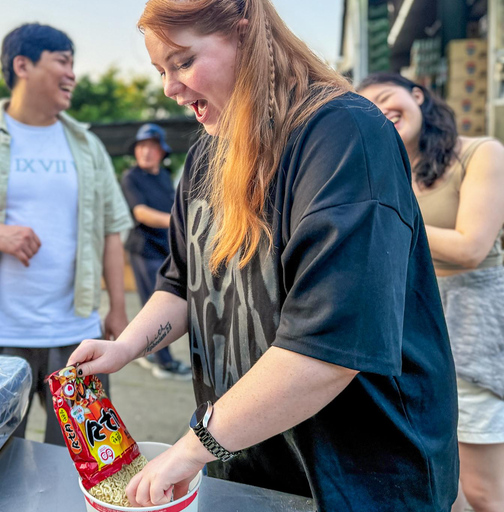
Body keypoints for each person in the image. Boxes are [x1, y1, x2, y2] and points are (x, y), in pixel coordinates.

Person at [68, 0, 459, 510]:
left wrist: (193, 448)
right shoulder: (206, 155)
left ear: (245, 37)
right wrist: (125, 347)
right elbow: (181, 285)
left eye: (183, 62)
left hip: (362, 478)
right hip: (250, 463)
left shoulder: (343, 133)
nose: (169, 87)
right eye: (161, 71)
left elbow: (329, 349)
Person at [0, 23, 133, 445]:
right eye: (62, 62)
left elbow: (111, 231)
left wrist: (118, 309)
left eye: (73, 64)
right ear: (23, 65)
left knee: (85, 466)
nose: (72, 74)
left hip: (77, 337)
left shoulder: (88, 146)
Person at [359, 73, 504, 512]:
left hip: (473, 334)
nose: (381, 111)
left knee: (483, 492)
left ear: (417, 95)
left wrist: (381, 210)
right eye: (368, 110)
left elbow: (471, 249)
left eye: (386, 98)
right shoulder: (384, 174)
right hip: (414, 341)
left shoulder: (480, 153)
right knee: (442, 486)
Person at [121, 123, 192, 380]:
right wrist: (181, 220)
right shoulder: (131, 177)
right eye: (141, 147)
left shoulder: (164, 176)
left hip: (166, 249)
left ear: (162, 152)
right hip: (144, 250)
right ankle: (163, 362)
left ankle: (155, 354)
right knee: (154, 307)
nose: (145, 153)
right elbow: (140, 213)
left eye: (151, 147)